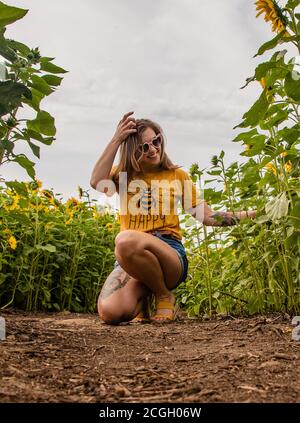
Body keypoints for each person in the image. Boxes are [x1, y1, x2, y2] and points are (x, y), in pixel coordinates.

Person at [90, 111, 256, 325]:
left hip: (168, 254)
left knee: (125, 240)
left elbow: (208, 217)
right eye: (144, 147)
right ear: (133, 151)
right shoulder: (123, 175)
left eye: (156, 141)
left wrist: (252, 216)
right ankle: (144, 298)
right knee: (110, 312)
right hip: (130, 259)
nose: (153, 149)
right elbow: (96, 181)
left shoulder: (177, 176)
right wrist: (116, 139)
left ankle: (163, 294)